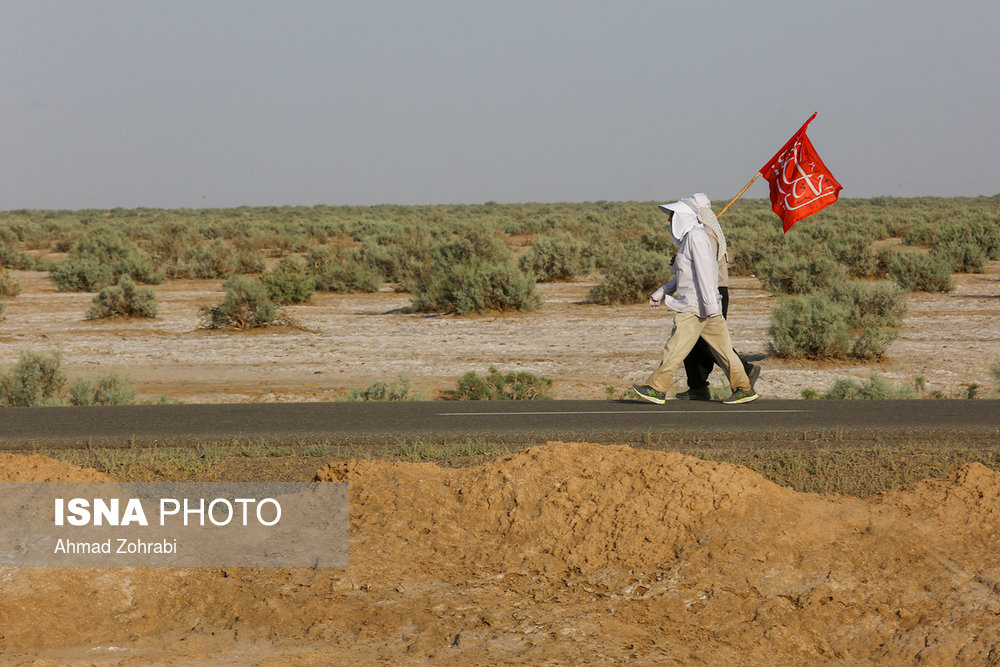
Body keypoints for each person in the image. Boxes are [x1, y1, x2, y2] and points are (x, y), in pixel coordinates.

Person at [632, 199, 758, 405]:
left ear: (682, 217)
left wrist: (709, 308)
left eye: (672, 215)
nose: (669, 219)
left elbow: (706, 274)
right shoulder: (691, 238)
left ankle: (656, 388)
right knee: (724, 351)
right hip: (704, 307)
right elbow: (686, 275)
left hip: (696, 308)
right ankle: (743, 388)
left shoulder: (696, 238)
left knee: (675, 348)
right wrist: (661, 292)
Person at [674, 193, 760, 401]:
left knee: (708, 340)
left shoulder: (707, 232)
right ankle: (697, 387)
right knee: (695, 343)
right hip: (702, 289)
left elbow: (705, 264)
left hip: (712, 290)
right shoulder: (702, 230)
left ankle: (744, 370)